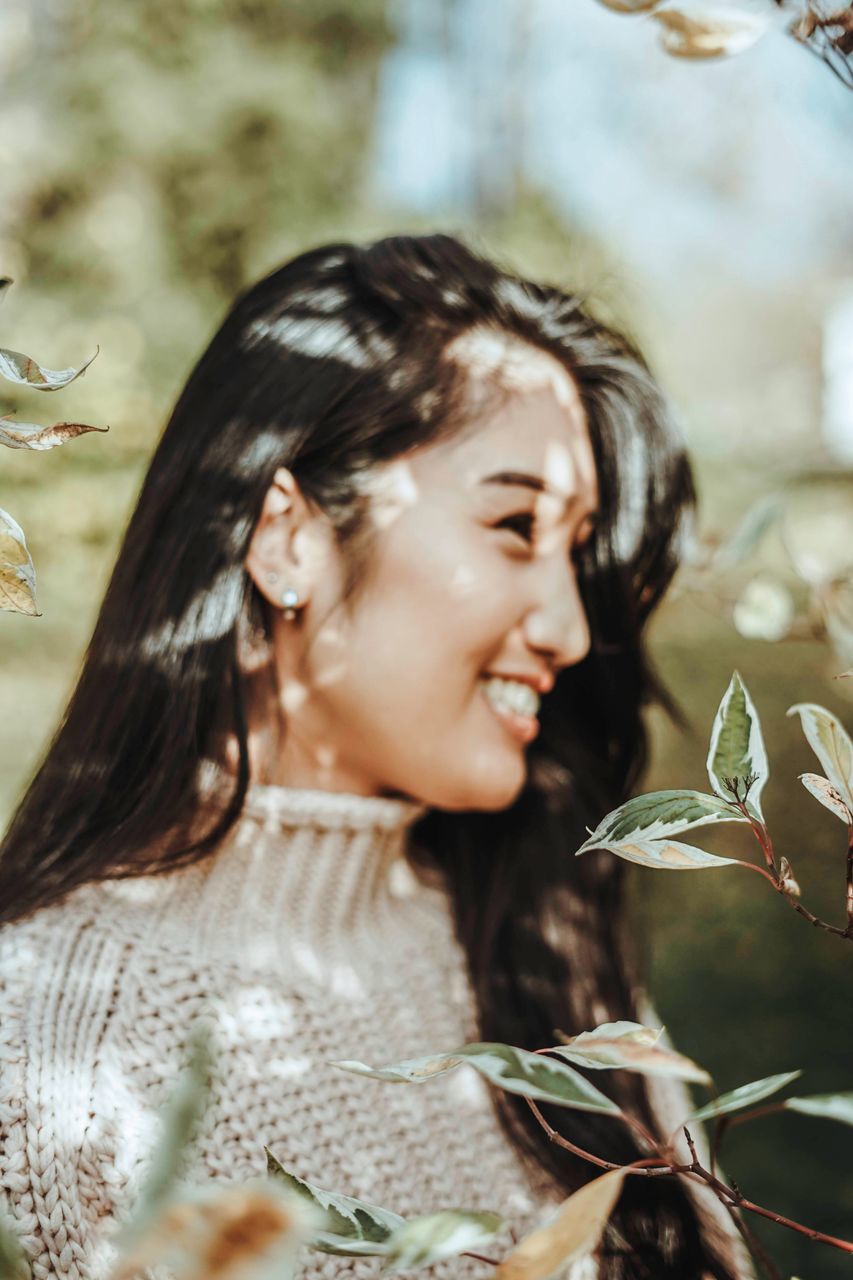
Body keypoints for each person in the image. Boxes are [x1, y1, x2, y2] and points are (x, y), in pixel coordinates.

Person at [0, 234, 752, 1280]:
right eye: (514, 522)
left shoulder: (551, 956)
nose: (570, 628)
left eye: (572, 548)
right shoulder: (45, 1045)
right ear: (286, 538)